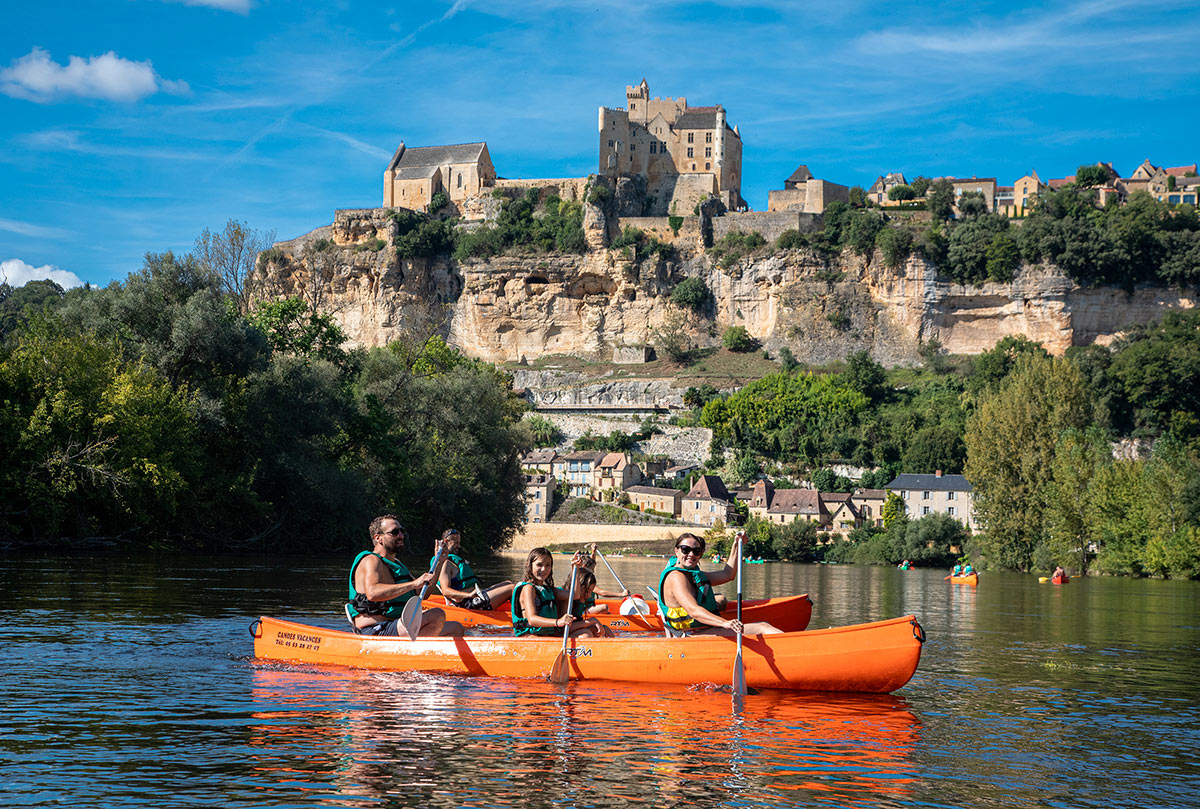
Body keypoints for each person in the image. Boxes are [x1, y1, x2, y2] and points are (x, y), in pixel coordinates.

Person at [347, 515, 464, 637]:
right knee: (436, 615)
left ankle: (425, 652)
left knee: (456, 628)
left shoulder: (397, 564)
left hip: (397, 626)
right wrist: (413, 584)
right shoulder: (371, 560)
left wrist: (439, 562)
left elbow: (424, 593)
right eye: (395, 532)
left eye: (402, 531)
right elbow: (372, 593)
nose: (401, 536)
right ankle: (415, 653)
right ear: (378, 538)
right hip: (375, 630)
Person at [658, 532, 782, 636]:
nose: (691, 554)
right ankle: (797, 649)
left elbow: (728, 575)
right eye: (685, 550)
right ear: (676, 551)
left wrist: (736, 546)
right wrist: (724, 623)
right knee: (762, 627)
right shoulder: (676, 577)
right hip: (689, 635)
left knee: (721, 600)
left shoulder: (691, 573)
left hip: (700, 628)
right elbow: (693, 611)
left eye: (696, 551)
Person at [511, 547, 605, 638]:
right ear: (529, 565)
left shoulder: (549, 590)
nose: (544, 569)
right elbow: (532, 619)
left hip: (549, 635)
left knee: (587, 632)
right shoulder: (528, 589)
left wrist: (575, 569)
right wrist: (558, 622)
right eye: (539, 565)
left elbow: (575, 595)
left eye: (548, 565)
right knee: (585, 635)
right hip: (530, 637)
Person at [434, 528, 515, 611]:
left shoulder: (451, 561)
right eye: (456, 543)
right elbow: (445, 591)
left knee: (508, 583)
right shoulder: (444, 563)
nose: (459, 546)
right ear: (447, 542)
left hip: (474, 598)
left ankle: (515, 607)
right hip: (468, 603)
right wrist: (468, 595)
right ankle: (519, 616)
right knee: (512, 588)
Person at [571, 545, 630, 614]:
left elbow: (591, 563)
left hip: (589, 607)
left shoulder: (586, 573)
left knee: (607, 612)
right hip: (582, 610)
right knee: (604, 607)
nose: (593, 571)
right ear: (584, 567)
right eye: (592, 569)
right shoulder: (586, 581)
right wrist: (621, 594)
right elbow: (602, 593)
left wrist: (593, 552)